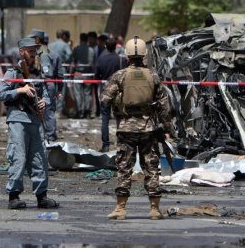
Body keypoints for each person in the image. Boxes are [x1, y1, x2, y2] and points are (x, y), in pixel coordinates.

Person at [100, 36, 173, 220]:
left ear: (127, 56)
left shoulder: (120, 75)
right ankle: (155, 209)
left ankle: (121, 209)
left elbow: (105, 99)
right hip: (148, 128)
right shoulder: (153, 76)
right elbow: (165, 106)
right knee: (151, 167)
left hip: (126, 129)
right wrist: (167, 127)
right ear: (144, 55)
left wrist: (117, 106)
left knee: (124, 167)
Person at [0, 37, 59, 210]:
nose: (34, 54)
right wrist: (20, 90)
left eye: (35, 51)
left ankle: (41, 196)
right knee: (18, 157)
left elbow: (45, 93)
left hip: (35, 120)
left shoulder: (37, 74)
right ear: (22, 52)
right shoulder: (13, 72)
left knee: (40, 159)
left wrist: (44, 102)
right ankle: (14, 196)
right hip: (18, 119)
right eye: (31, 51)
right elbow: (1, 94)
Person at [28, 29, 63, 142]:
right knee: (45, 109)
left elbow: (46, 72)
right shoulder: (50, 52)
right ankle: (46, 134)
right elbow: (60, 73)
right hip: (47, 84)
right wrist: (59, 90)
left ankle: (50, 136)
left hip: (45, 84)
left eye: (33, 38)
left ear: (37, 39)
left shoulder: (43, 54)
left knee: (47, 110)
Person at [95, 37, 127, 152]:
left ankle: (106, 144)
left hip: (105, 90)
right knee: (119, 117)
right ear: (115, 46)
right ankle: (121, 142)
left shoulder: (101, 59)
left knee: (105, 118)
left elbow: (96, 76)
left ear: (105, 46)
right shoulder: (120, 59)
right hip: (118, 90)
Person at [71, 32, 94, 119]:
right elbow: (92, 63)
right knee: (87, 93)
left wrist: (71, 73)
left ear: (80, 39)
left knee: (78, 93)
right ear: (87, 40)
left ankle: (79, 111)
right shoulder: (91, 50)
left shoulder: (76, 49)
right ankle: (87, 111)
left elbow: (73, 62)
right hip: (88, 74)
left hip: (78, 73)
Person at [49, 29, 72, 113]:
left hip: (51, 69)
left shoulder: (50, 45)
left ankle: (52, 108)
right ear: (63, 36)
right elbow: (69, 55)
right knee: (61, 90)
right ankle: (59, 110)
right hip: (62, 69)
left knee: (52, 89)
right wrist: (65, 60)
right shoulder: (65, 45)